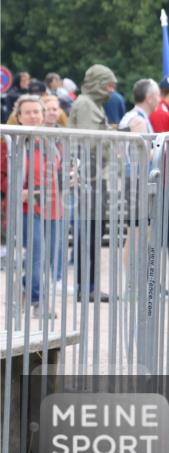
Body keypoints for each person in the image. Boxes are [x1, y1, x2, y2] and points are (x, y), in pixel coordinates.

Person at [0, 96, 62, 314]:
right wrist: (17, 189)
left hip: (53, 206)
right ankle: (38, 301)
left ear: (44, 115)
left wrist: (69, 178)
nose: (33, 116)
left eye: (37, 111)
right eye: (28, 112)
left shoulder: (52, 141)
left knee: (49, 256)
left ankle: (25, 288)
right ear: (19, 117)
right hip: (26, 207)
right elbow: (2, 175)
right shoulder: (11, 142)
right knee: (37, 253)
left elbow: (58, 172)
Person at [67, 64, 117, 302]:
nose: (111, 90)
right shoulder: (86, 104)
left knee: (96, 231)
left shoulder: (94, 104)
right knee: (89, 232)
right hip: (91, 173)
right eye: (108, 85)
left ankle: (91, 284)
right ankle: (86, 286)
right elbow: (89, 141)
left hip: (97, 173)